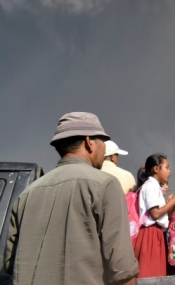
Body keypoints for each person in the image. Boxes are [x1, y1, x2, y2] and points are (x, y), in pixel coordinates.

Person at [3, 112, 139, 284]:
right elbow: (122, 269)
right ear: (89, 142)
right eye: (103, 142)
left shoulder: (26, 195)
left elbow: (9, 265)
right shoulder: (105, 185)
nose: (104, 148)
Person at [133, 154, 175, 278]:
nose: (169, 171)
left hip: (156, 234)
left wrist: (174, 203)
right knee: (149, 274)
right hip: (150, 235)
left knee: (156, 273)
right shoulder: (150, 186)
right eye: (167, 167)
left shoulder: (155, 186)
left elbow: (162, 215)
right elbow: (155, 214)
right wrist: (173, 202)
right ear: (156, 169)